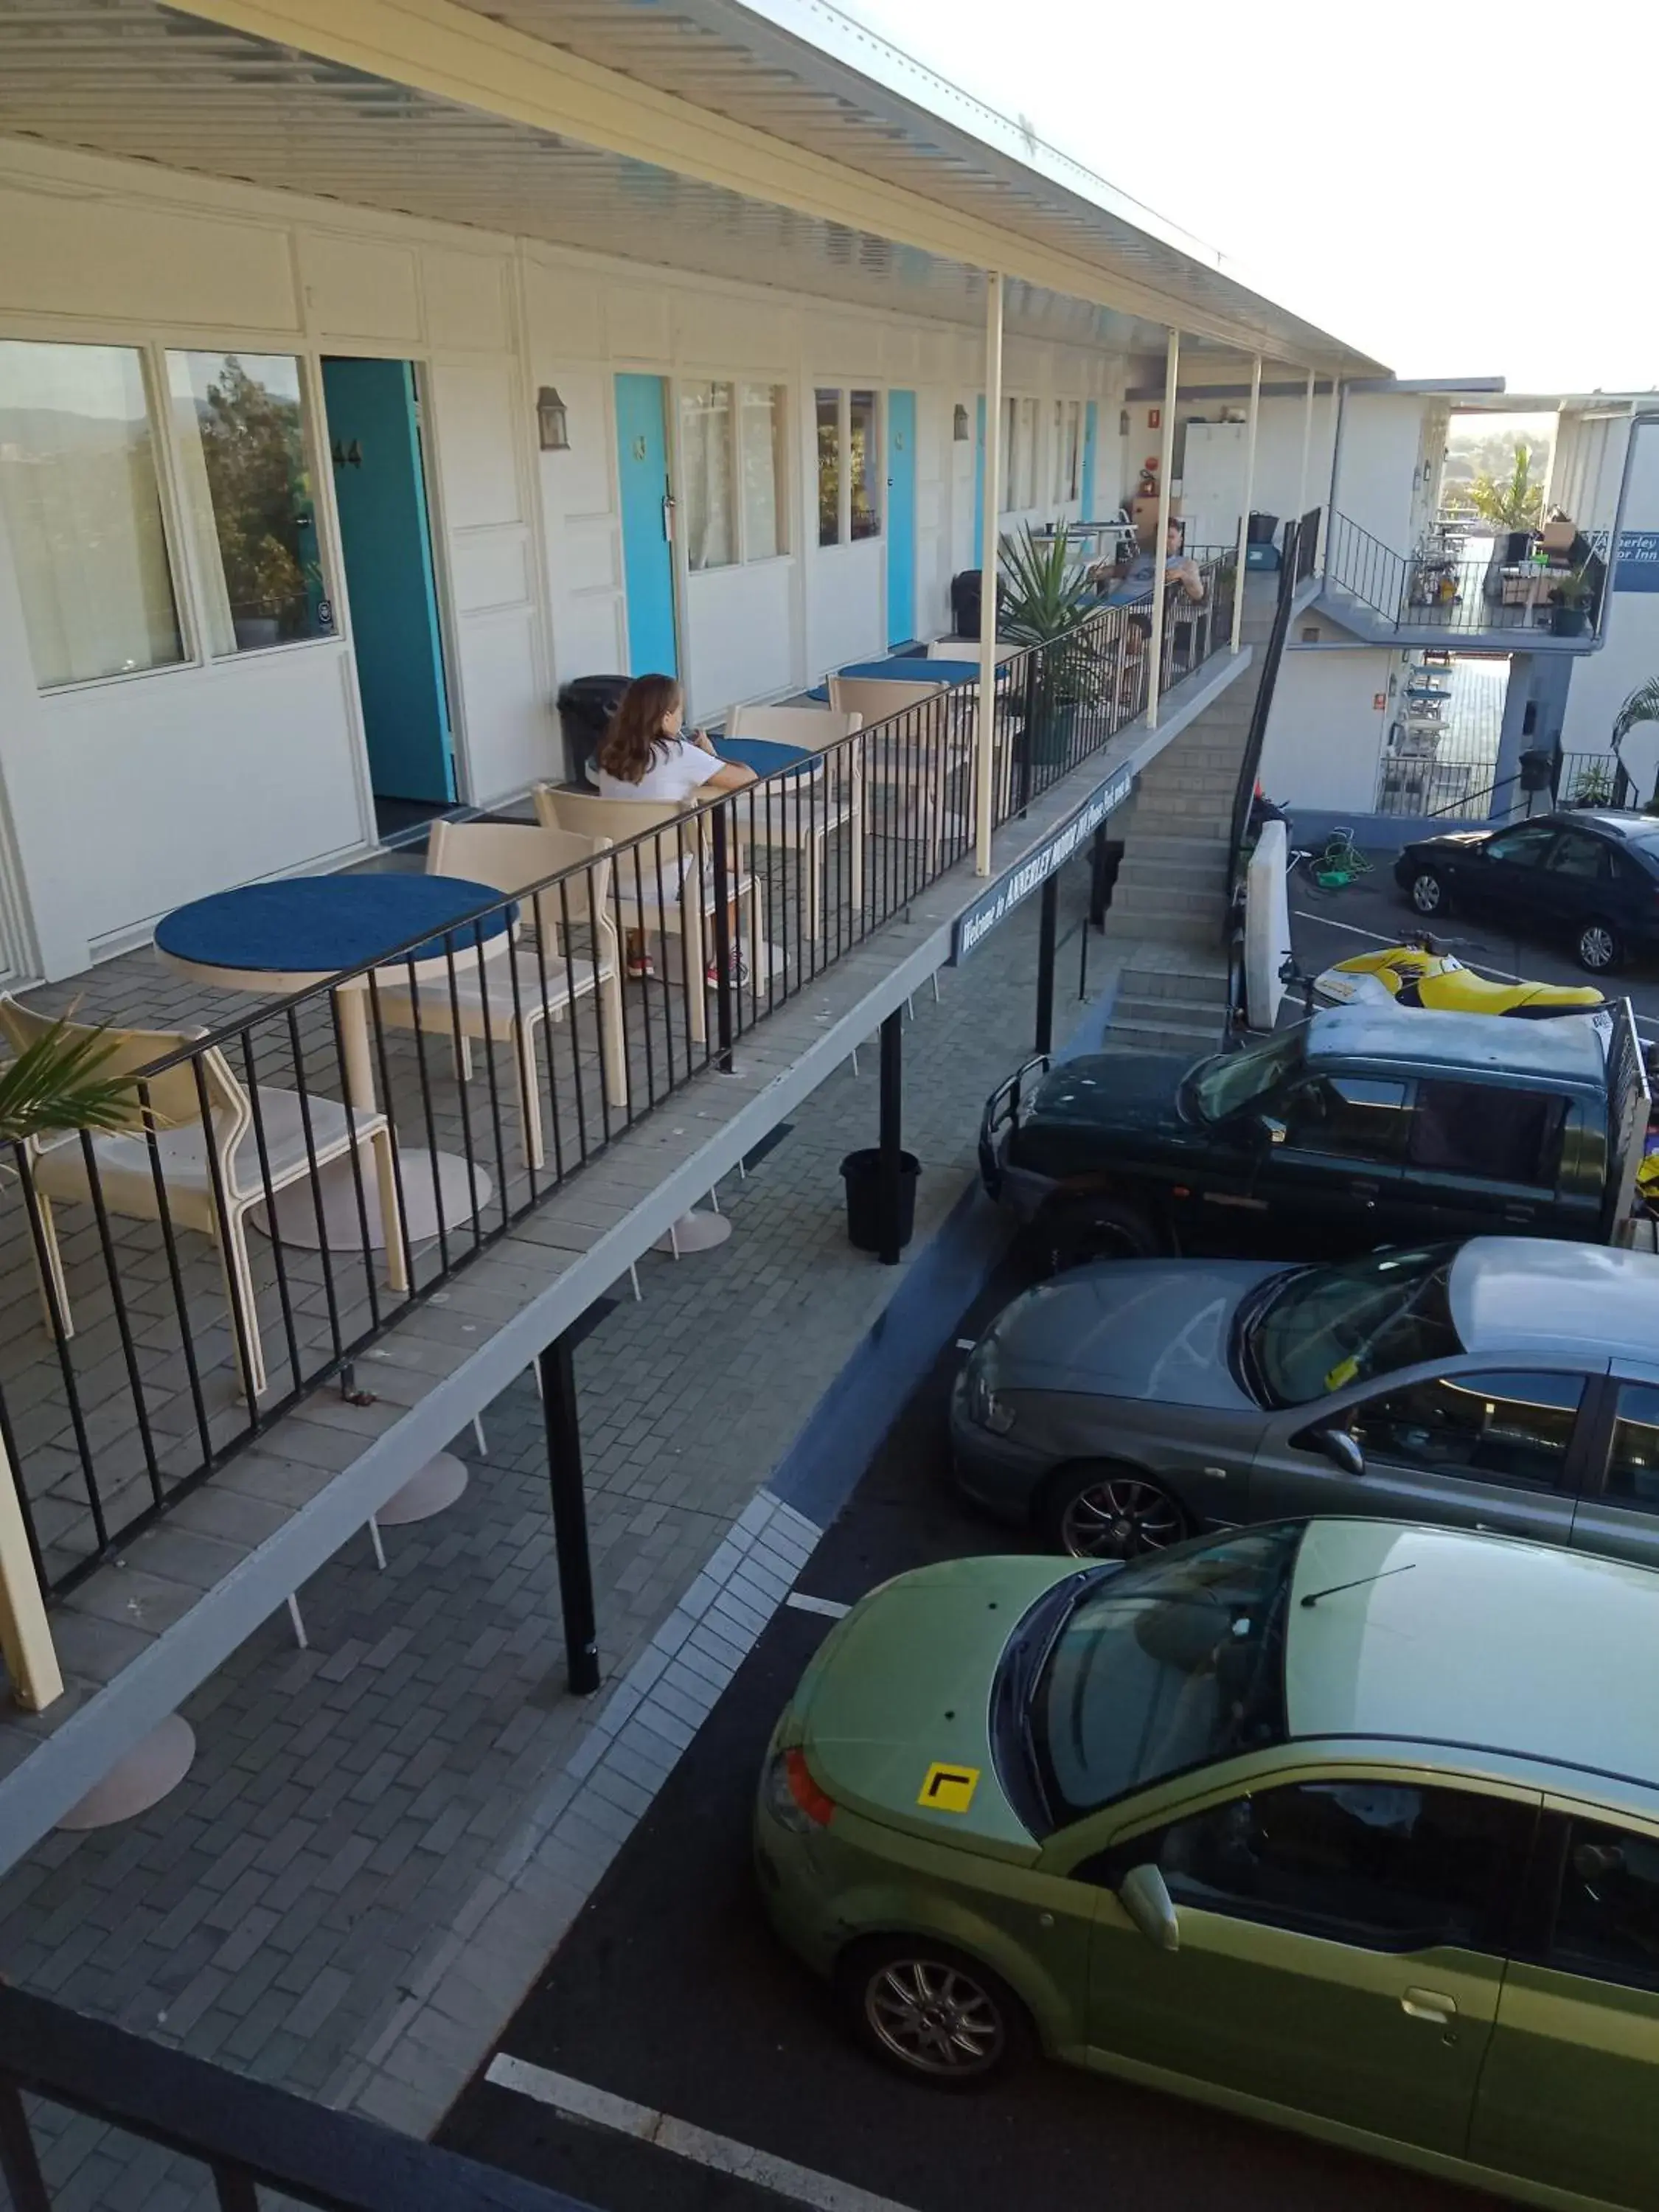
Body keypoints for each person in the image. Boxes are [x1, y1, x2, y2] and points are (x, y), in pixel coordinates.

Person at [595, 673, 757, 984]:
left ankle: (639, 952)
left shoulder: (607, 757)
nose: (682, 716)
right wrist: (710, 755)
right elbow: (747, 778)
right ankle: (725, 959)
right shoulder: (681, 755)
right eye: (680, 709)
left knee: (643, 848)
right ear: (667, 716)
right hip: (669, 887)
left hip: (615, 881)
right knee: (730, 851)